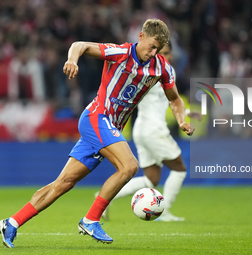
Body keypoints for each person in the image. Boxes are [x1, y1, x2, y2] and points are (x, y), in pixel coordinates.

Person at [0, 18, 194, 248]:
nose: (153, 52)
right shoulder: (120, 52)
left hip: (109, 128)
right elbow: (79, 45)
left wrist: (181, 120)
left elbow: (175, 99)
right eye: (151, 46)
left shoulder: (162, 67)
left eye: (158, 49)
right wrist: (73, 59)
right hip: (96, 118)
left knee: (64, 183)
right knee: (129, 166)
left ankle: (11, 222)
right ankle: (91, 219)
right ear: (140, 37)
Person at [97, 43, 201, 222]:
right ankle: (164, 211)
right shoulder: (148, 73)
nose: (169, 57)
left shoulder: (166, 72)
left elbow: (169, 101)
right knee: (180, 169)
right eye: (164, 53)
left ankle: (105, 196)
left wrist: (185, 113)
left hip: (143, 130)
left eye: (170, 53)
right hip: (154, 130)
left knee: (151, 180)